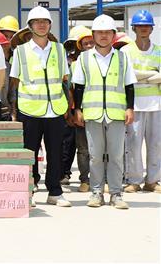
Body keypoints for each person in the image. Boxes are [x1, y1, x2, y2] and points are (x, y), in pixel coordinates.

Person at [9, 6, 72, 208]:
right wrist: (13, 111)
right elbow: (14, 83)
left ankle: (55, 192)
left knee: (55, 152)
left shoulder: (59, 49)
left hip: (55, 109)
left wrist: (68, 107)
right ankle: (29, 189)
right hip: (29, 110)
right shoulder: (20, 52)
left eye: (45, 21)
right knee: (30, 153)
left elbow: (65, 80)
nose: (41, 25)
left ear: (50, 25)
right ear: (30, 26)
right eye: (37, 22)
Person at [72, 14, 136, 209]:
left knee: (116, 155)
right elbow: (79, 87)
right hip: (92, 114)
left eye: (108, 32)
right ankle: (96, 193)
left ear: (113, 35)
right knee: (95, 155)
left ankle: (116, 194)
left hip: (117, 114)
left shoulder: (123, 58)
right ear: (93, 35)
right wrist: (78, 109)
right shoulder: (84, 58)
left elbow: (129, 86)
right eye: (99, 32)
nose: (103, 36)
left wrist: (130, 108)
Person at [122, 10, 160, 193]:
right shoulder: (126, 51)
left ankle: (153, 180)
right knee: (134, 144)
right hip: (134, 105)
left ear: (151, 29)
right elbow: (128, 75)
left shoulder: (159, 51)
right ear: (134, 28)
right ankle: (134, 180)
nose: (143, 28)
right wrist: (153, 74)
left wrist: (139, 77)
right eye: (140, 26)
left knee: (156, 144)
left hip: (156, 104)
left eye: (147, 26)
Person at [61, 26, 94, 192]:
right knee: (77, 147)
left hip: (97, 110)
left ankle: (100, 179)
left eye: (90, 43)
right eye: (83, 43)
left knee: (99, 149)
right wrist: (71, 111)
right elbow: (70, 89)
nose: (88, 46)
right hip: (77, 111)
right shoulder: (72, 65)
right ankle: (81, 178)